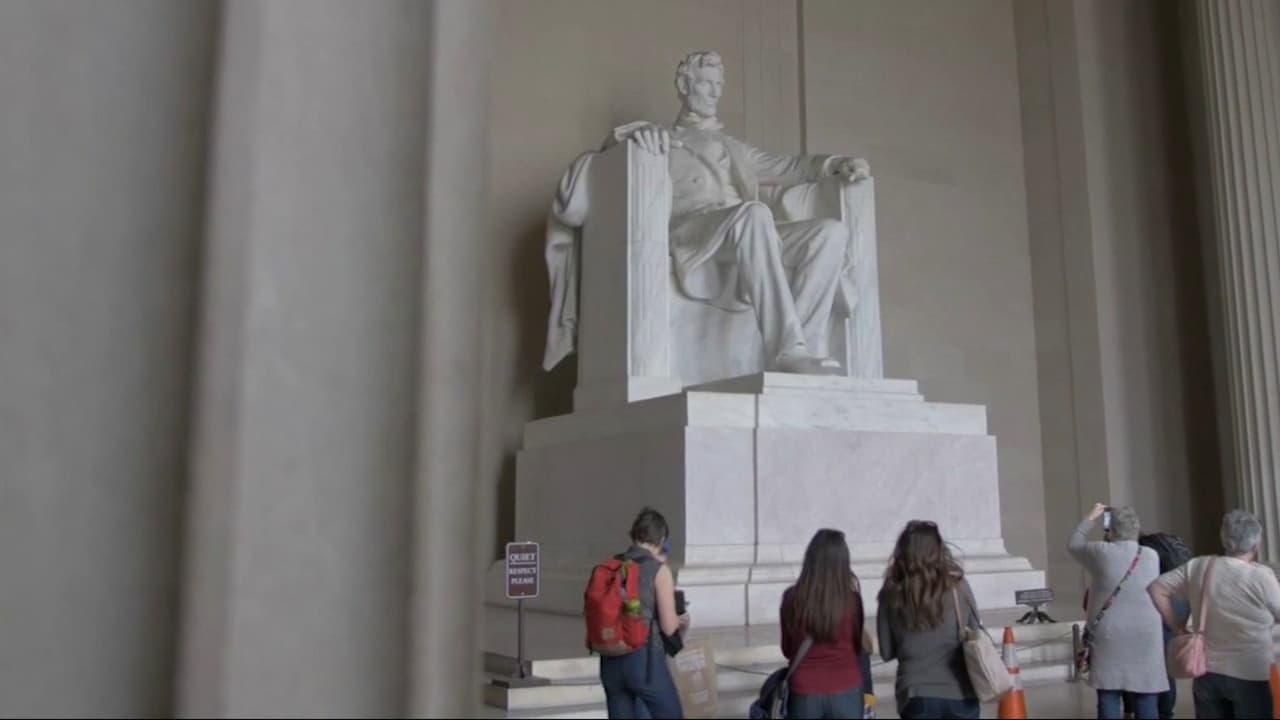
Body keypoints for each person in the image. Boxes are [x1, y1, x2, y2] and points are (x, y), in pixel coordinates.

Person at [609, 50, 871, 374]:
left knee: (830, 233)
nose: (716, 92)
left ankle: (804, 345)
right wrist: (637, 136)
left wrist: (836, 164)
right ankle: (786, 349)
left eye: (719, 84)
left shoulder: (735, 147)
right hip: (692, 229)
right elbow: (609, 158)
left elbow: (789, 166)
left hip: (744, 229)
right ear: (683, 85)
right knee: (755, 214)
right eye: (707, 84)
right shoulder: (659, 136)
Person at [1149, 509, 1280, 719]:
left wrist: (1178, 626)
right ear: (1256, 545)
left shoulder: (1199, 566)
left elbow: (1156, 588)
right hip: (1250, 672)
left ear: (1224, 538)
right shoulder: (1261, 576)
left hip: (1207, 671)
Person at [1068, 503, 1168, 719]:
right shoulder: (1151, 555)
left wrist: (1092, 516)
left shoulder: (1101, 552)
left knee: (1109, 692)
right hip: (1146, 633)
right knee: (1146, 694)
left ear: (1110, 530)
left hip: (1110, 634)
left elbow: (1074, 543)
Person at [876, 520, 981, 719]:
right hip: (960, 692)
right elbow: (975, 631)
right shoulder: (959, 587)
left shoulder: (890, 593)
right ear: (939, 550)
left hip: (915, 693)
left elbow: (887, 652)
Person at [598, 507, 691, 719]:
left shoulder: (611, 566)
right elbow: (669, 627)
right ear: (661, 539)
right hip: (645, 662)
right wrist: (681, 621)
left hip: (610, 661)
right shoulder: (658, 571)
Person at [779, 529, 866, 718]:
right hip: (847, 687)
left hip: (805, 690)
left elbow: (787, 649)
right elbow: (857, 646)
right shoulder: (852, 601)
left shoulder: (791, 598)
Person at [1121, 532, 1192, 720]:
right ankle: (1166, 713)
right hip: (1178, 601)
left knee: (1144, 670)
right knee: (1167, 670)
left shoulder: (1141, 551)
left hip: (1158, 602)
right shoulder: (1163, 542)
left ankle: (1143, 710)